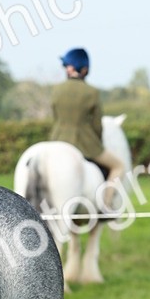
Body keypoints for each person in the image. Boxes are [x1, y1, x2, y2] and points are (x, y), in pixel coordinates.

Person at [51, 48, 126, 206]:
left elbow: (56, 117)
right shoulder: (92, 92)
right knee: (119, 166)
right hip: (85, 143)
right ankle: (106, 206)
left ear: (69, 68)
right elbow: (97, 125)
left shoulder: (57, 90)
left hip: (56, 141)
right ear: (85, 69)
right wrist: (97, 141)